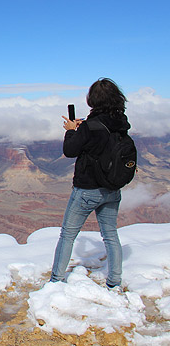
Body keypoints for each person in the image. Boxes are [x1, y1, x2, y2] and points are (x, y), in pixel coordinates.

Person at [50, 78, 131, 289]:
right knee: (111, 235)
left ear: (92, 100)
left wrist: (70, 130)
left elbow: (70, 151)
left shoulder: (90, 126)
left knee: (67, 235)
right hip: (112, 189)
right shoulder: (121, 124)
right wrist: (83, 126)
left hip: (87, 190)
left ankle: (56, 281)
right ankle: (114, 282)